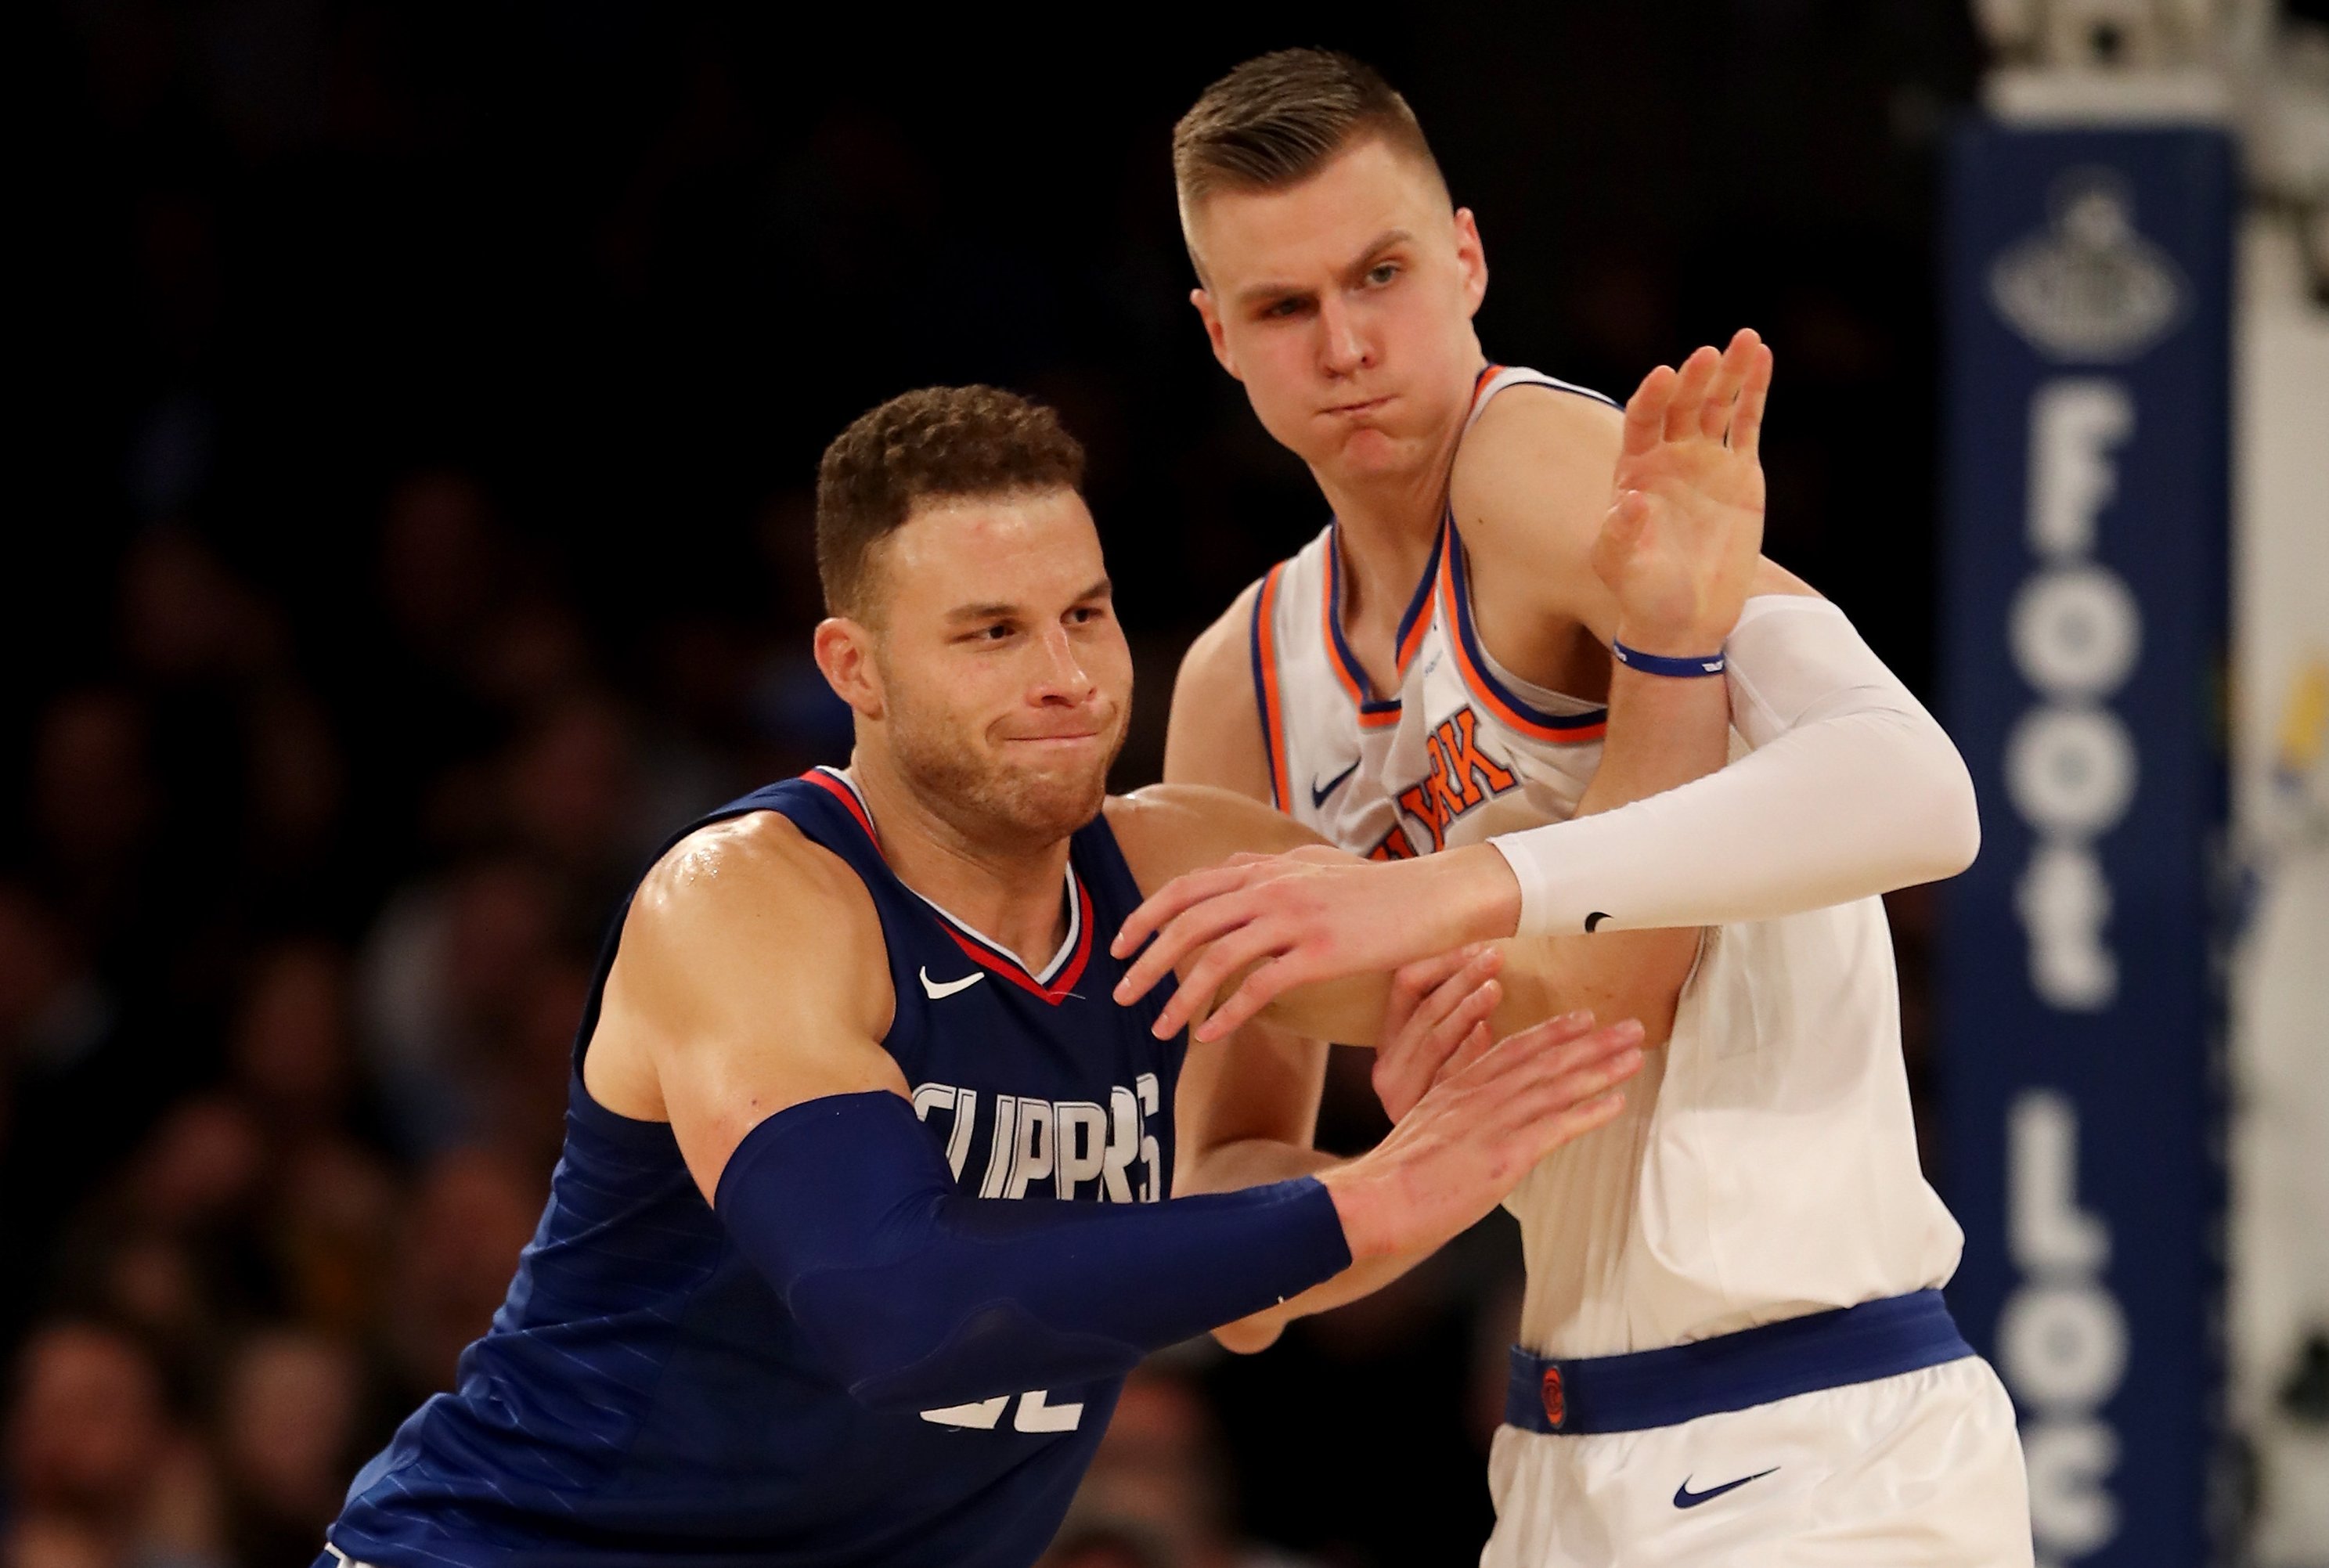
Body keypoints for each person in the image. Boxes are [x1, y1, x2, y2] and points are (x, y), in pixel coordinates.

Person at [315, 386, 1657, 1568]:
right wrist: (1377, 1198)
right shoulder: (750, 904)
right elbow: (902, 1312)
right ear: (860, 668)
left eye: (1084, 613)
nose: (1067, 676)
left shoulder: (1178, 870)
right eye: (993, 634)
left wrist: (1675, 644)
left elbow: (1603, 992)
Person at [1115, 49, 2032, 1566]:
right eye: (1284, 307)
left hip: (1822, 1433)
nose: (1346, 344)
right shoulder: (1241, 681)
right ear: (1217, 334)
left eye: (1383, 274)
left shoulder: (1543, 470)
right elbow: (1235, 1246)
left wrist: (1458, 889)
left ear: (1468, 255)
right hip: (1554, 1461)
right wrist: (1402, 1183)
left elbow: (1923, 792)